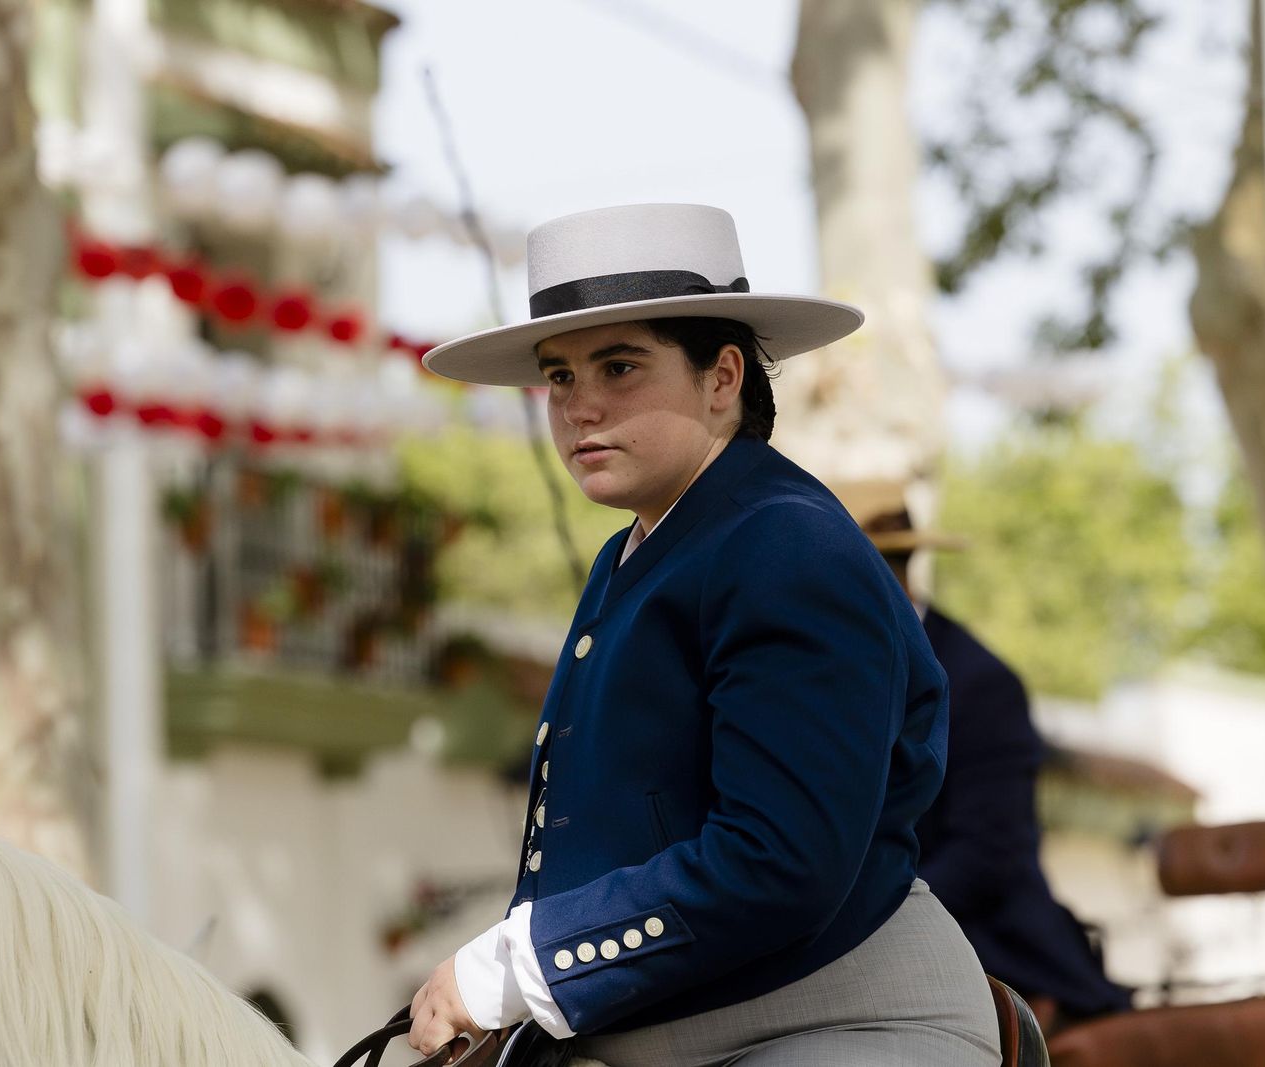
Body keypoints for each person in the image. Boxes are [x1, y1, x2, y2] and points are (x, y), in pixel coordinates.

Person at [408, 203, 1000, 1066]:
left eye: (619, 366)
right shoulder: (636, 552)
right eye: (561, 376)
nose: (580, 407)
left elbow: (780, 858)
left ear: (723, 377)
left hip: (843, 1022)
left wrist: (519, 965)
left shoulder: (785, 544)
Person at [837, 481, 1134, 1034]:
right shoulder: (819, 673)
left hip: (985, 950)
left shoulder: (980, 684)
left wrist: (854, 926)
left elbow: (988, 857)